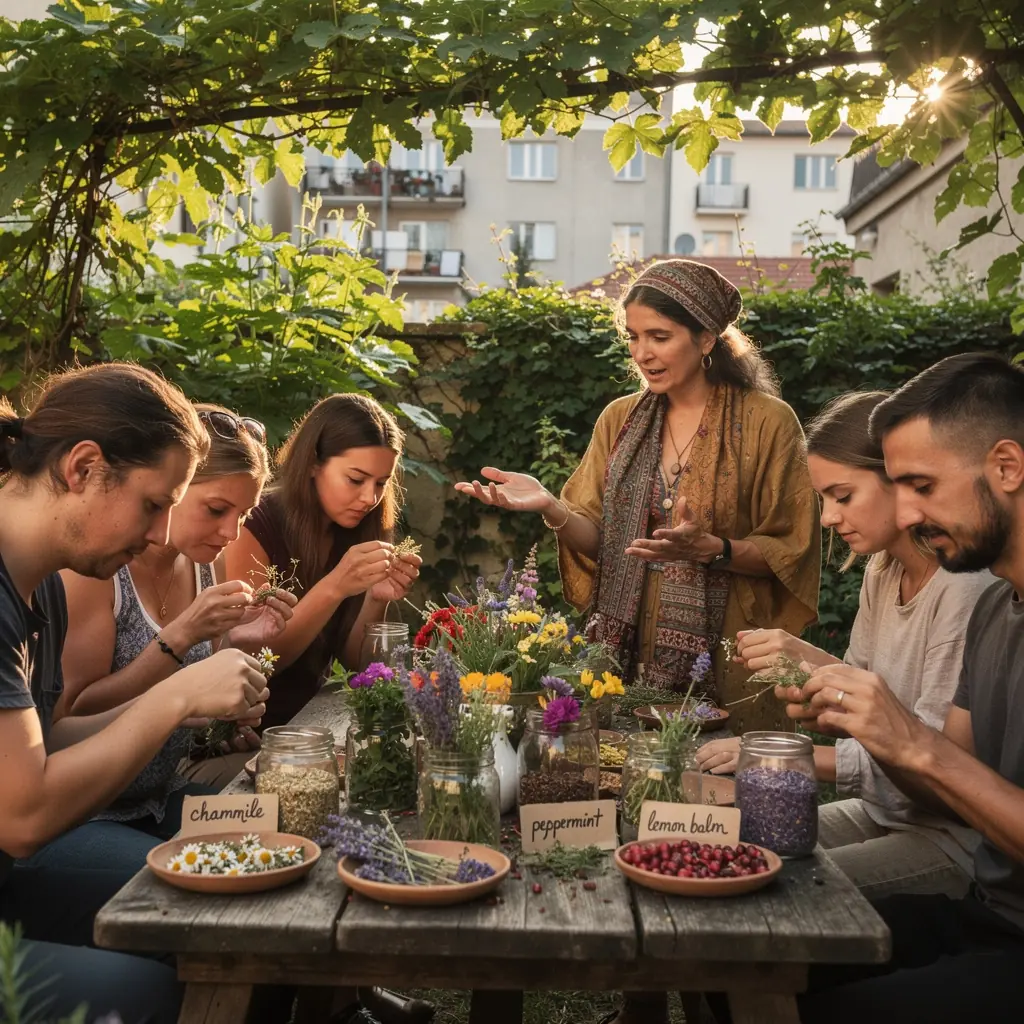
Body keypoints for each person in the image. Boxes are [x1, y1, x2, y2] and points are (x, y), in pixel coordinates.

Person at [0, 363, 270, 1023]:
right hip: (32, 861)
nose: (159, 534)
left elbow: (47, 741)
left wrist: (193, 703)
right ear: (83, 467)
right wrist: (174, 695)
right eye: (154, 503)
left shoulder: (39, 585)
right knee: (162, 983)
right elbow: (23, 818)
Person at [456, 258, 820, 732]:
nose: (642, 353)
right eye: (633, 336)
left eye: (659, 337)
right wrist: (551, 507)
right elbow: (604, 544)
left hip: (730, 656)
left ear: (706, 339)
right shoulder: (619, 419)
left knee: (717, 792)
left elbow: (792, 550)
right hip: (624, 665)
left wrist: (713, 550)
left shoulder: (767, 422)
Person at [773, 354, 1024, 1023]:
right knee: (755, 953)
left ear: (1007, 467)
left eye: (919, 485)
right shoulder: (1001, 605)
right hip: (989, 910)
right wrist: (852, 717)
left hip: (977, 894)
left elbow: (945, 779)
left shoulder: (971, 595)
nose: (908, 512)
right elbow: (949, 777)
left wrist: (909, 740)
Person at [696, 391, 989, 899]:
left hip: (952, 841)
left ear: (900, 480)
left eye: (843, 496)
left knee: (777, 885)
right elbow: (864, 706)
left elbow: (934, 762)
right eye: (823, 500)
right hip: (883, 812)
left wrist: (767, 756)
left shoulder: (963, 590)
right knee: (728, 843)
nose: (828, 518)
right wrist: (807, 666)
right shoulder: (883, 569)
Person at [59, 403, 297, 823]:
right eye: (217, 509)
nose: (230, 533)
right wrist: (181, 635)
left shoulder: (205, 564)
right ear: (176, 486)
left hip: (162, 795)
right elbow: (70, 718)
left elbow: (183, 707)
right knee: (212, 879)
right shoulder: (96, 570)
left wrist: (228, 704)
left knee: (284, 824)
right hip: (84, 813)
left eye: (244, 515)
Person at [224, 393, 421, 731]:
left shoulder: (357, 529)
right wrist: (335, 586)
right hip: (250, 732)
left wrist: (376, 599)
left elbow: (359, 665)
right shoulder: (251, 525)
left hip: (318, 722)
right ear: (314, 462)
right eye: (356, 480)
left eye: (381, 483)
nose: (370, 498)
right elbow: (256, 662)